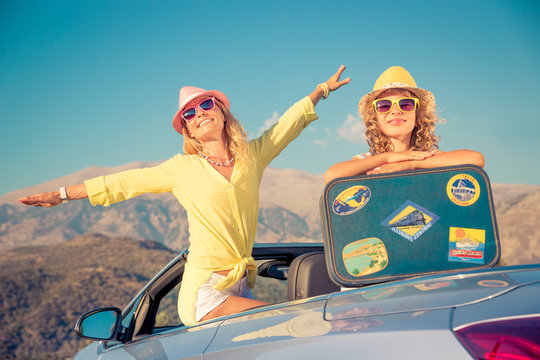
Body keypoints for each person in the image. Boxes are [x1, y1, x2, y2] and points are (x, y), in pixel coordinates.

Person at [19, 66, 351, 326]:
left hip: (240, 287)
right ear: (188, 130)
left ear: (222, 113)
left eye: (206, 104)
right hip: (204, 292)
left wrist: (321, 91)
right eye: (189, 114)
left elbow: (286, 126)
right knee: (290, 322)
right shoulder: (181, 168)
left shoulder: (252, 158)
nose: (199, 113)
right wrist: (60, 195)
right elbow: (121, 183)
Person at [323, 66, 484, 184]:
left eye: (406, 104)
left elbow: (475, 159)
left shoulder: (425, 157)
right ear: (376, 119)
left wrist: (411, 164)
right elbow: (331, 176)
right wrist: (387, 158)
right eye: (384, 106)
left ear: (418, 115)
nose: (395, 111)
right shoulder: (367, 161)